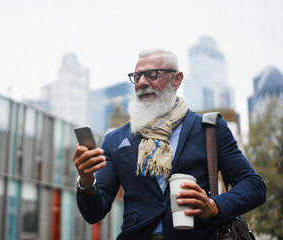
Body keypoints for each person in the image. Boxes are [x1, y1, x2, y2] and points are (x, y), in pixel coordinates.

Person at [73, 49, 266, 240]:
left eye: (152, 74)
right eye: (137, 76)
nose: (141, 82)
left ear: (177, 79)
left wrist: (214, 206)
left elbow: (254, 186)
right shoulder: (115, 139)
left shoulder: (209, 129)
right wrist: (87, 181)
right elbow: (94, 213)